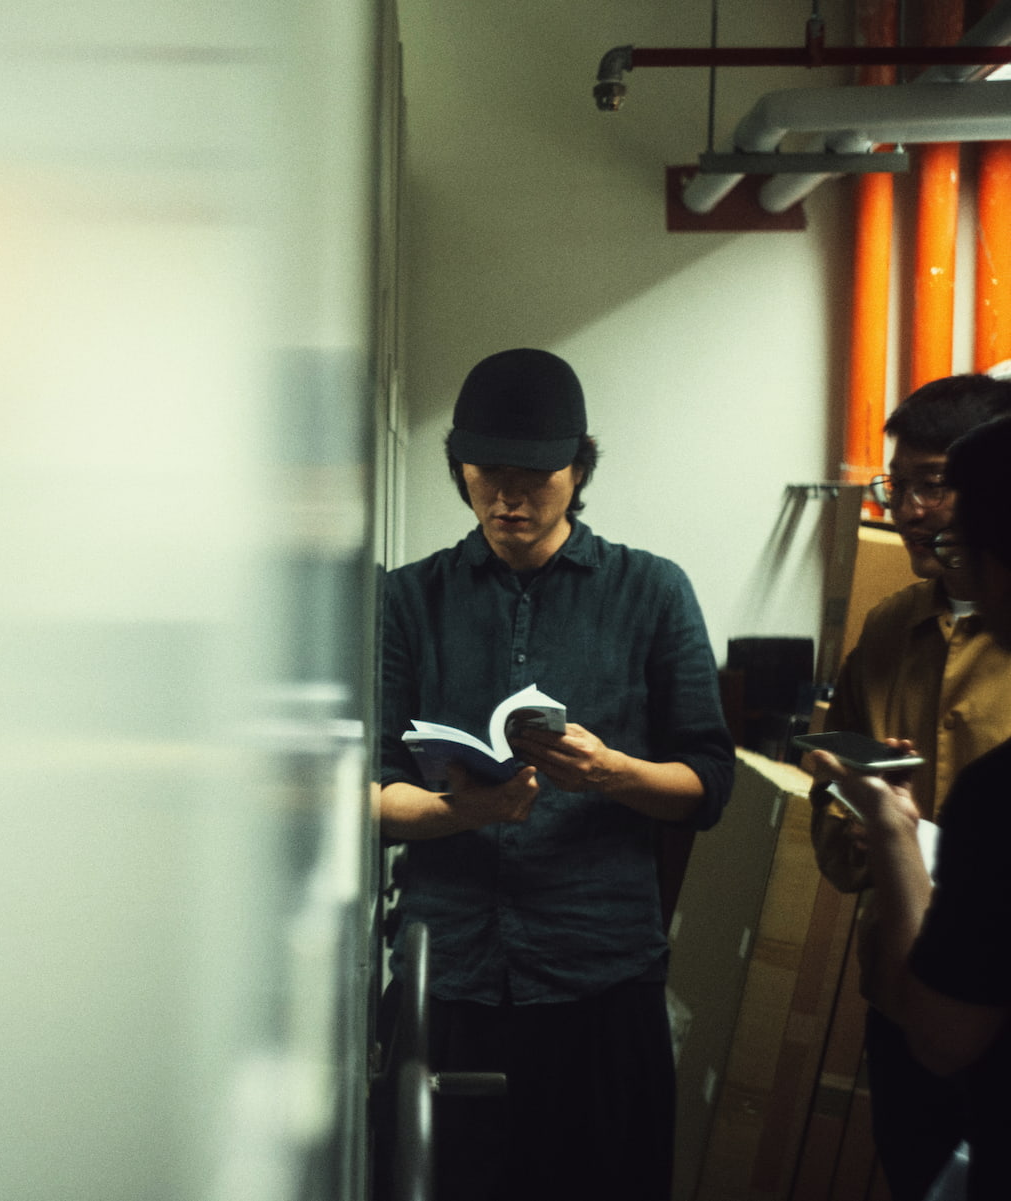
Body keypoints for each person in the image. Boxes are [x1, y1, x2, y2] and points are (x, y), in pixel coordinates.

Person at [375, 348, 734, 1201]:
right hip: (454, 973)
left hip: (601, 975)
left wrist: (611, 772)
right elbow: (372, 795)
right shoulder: (408, 599)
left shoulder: (652, 591)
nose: (509, 498)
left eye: (535, 476)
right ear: (460, 468)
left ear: (578, 468)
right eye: (487, 473)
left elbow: (709, 785)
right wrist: (463, 812)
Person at [809, 374, 1011, 1201]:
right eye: (900, 486)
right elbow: (830, 833)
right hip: (901, 1004)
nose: (911, 510)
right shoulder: (889, 626)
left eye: (934, 483)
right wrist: (868, 827)